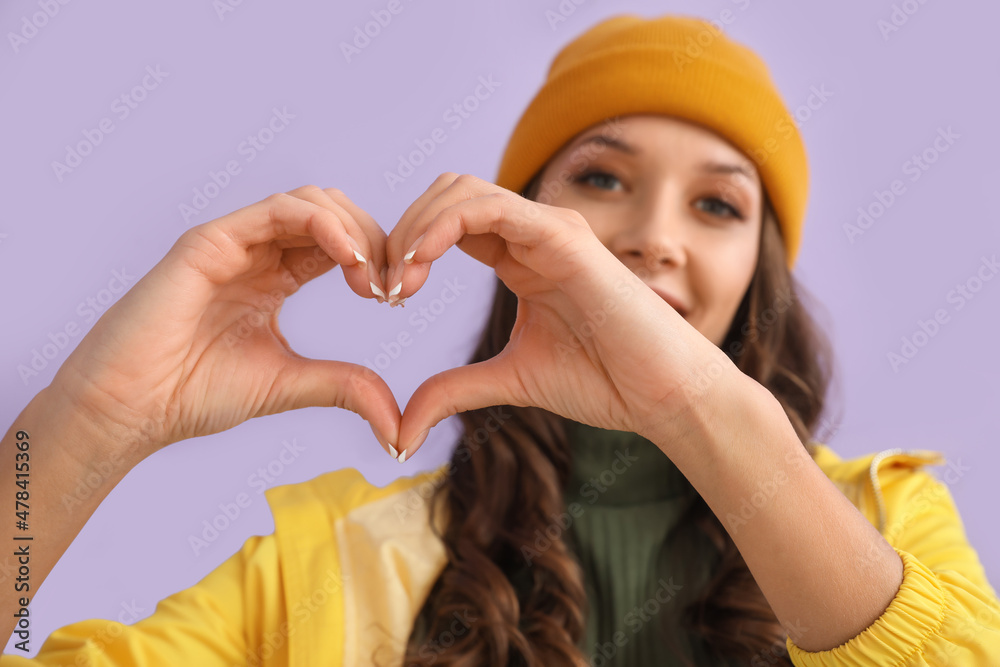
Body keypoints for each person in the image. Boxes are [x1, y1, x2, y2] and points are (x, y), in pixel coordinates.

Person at [2, 12, 999, 667]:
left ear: (758, 272)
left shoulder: (885, 521)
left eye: (716, 205)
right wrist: (89, 422)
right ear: (518, 232)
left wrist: (698, 409)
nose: (653, 234)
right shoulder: (330, 562)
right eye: (601, 178)